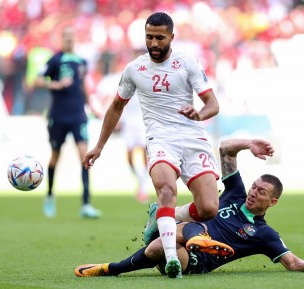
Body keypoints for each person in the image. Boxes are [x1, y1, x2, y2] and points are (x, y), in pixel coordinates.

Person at [82, 12, 220, 277]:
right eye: (149, 37)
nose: (154, 43)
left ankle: (163, 215)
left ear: (171, 37)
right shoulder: (135, 69)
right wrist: (99, 146)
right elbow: (116, 107)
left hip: (193, 137)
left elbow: (213, 104)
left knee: (208, 208)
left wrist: (199, 115)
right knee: (166, 189)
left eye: (159, 38)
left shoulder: (187, 63)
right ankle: (171, 258)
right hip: (160, 138)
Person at [75, 138, 304, 277]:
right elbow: (225, 150)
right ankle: (195, 236)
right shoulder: (236, 193)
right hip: (180, 237)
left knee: (159, 246)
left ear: (272, 202)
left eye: (261, 192)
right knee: (189, 226)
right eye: (255, 187)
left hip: (197, 261)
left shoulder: (264, 234)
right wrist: (249, 144)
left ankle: (110, 269)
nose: (253, 193)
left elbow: (292, 262)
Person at [34, 25, 101, 219]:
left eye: (72, 35)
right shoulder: (55, 60)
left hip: (78, 115)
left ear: (76, 38)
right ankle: (49, 195)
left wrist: (91, 106)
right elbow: (37, 81)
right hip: (58, 115)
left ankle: (86, 204)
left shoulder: (81, 62)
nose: (70, 39)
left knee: (85, 157)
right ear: (61, 39)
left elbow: (82, 86)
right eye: (66, 36)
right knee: (55, 156)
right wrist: (55, 84)